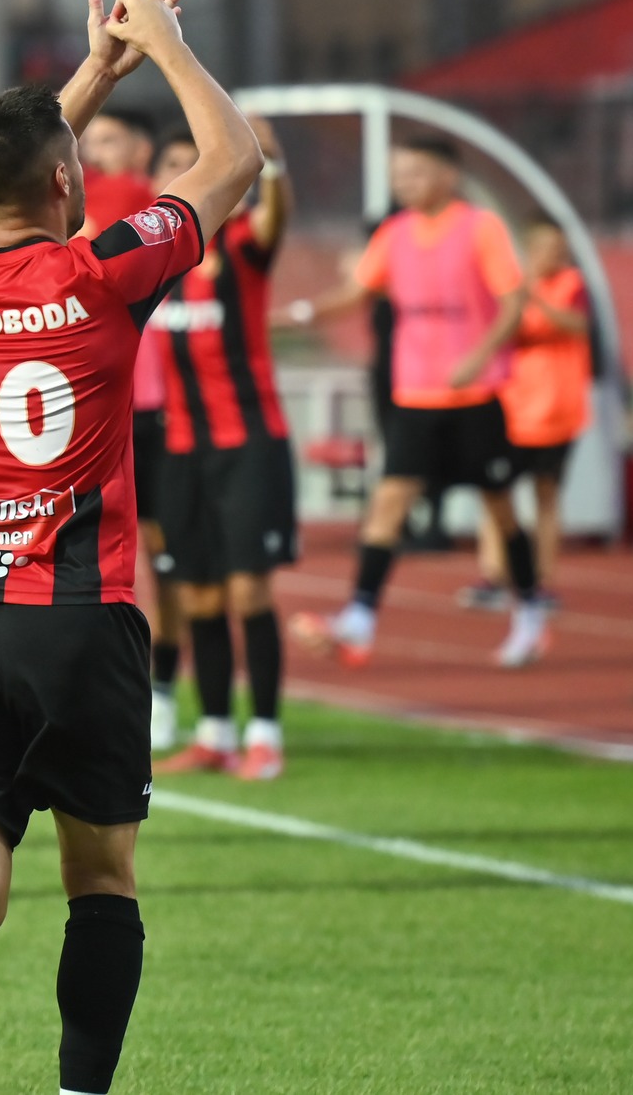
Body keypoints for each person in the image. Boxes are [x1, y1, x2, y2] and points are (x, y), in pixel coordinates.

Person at [0, 0, 261, 1094]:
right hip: (73, 615)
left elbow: (7, 170)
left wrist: (90, 75)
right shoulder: (100, 274)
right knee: (100, 881)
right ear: (68, 179)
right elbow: (233, 162)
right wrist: (162, 48)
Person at [280, 137, 551, 669]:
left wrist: (480, 356)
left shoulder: (481, 228)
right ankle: (359, 618)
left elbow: (514, 302)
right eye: (399, 174)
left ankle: (530, 613)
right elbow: (355, 292)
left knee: (499, 506)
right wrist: (296, 315)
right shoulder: (395, 233)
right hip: (414, 395)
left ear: (449, 176)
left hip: (475, 395)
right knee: (390, 501)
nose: (406, 183)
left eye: (417, 172)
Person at [148, 118, 297, 781]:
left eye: (199, 160)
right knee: (199, 597)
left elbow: (276, 219)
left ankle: (264, 733)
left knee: (249, 591)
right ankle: (213, 732)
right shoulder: (156, 263)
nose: (188, 174)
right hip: (181, 450)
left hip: (249, 447)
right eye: (175, 164)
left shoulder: (242, 247)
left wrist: (274, 163)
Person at [80, 115, 187, 750]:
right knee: (111, 554)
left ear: (140, 149)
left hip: (154, 408)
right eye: (90, 142)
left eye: (109, 140)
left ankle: (163, 689)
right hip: (110, 402)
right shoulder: (94, 199)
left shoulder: (138, 199)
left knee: (159, 556)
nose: (96, 153)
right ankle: (139, 690)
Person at [462, 219, 591, 612]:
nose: (558, 256)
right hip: (513, 407)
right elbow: (497, 331)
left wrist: (536, 300)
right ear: (530, 250)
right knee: (497, 493)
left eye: (561, 249)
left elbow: (578, 324)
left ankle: (543, 581)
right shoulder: (507, 287)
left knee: (546, 496)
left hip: (558, 411)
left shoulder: (572, 285)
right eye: (549, 248)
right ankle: (494, 575)